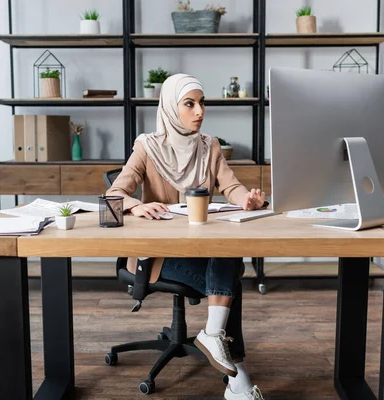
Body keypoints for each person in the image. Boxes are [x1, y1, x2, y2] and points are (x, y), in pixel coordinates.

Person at [106, 73, 266, 400]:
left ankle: (215, 336)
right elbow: (114, 194)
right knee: (230, 280)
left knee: (229, 250)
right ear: (169, 107)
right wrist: (136, 206)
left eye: (202, 103)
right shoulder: (147, 147)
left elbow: (231, 185)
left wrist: (245, 199)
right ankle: (235, 370)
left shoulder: (210, 147)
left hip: (200, 249)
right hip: (158, 256)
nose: (199, 111)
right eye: (189, 104)